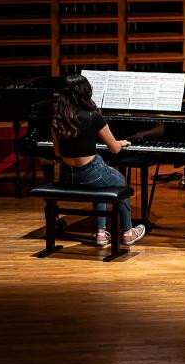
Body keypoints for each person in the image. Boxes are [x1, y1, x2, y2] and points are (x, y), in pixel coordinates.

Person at [51, 74, 146, 247]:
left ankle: (101, 233)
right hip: (90, 173)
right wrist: (121, 142)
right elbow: (114, 149)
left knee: (102, 183)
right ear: (85, 92)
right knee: (120, 181)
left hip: (67, 175)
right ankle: (127, 232)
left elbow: (57, 152)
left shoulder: (57, 119)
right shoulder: (93, 116)